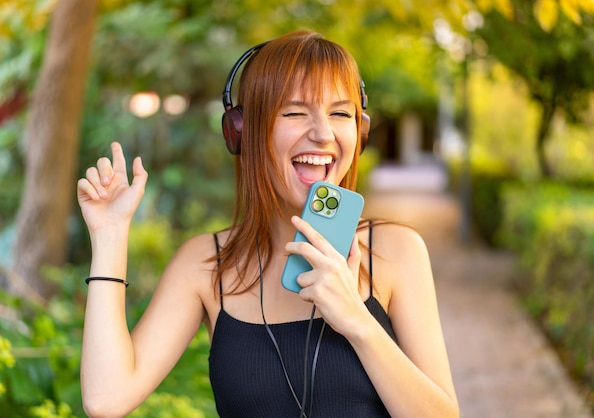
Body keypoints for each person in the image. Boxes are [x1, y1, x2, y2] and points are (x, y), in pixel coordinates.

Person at [77, 29, 459, 418]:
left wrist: (358, 322)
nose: (323, 133)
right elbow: (106, 399)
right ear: (244, 131)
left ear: (359, 132)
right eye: (295, 112)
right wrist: (109, 236)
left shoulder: (394, 251)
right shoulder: (207, 264)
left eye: (340, 113)